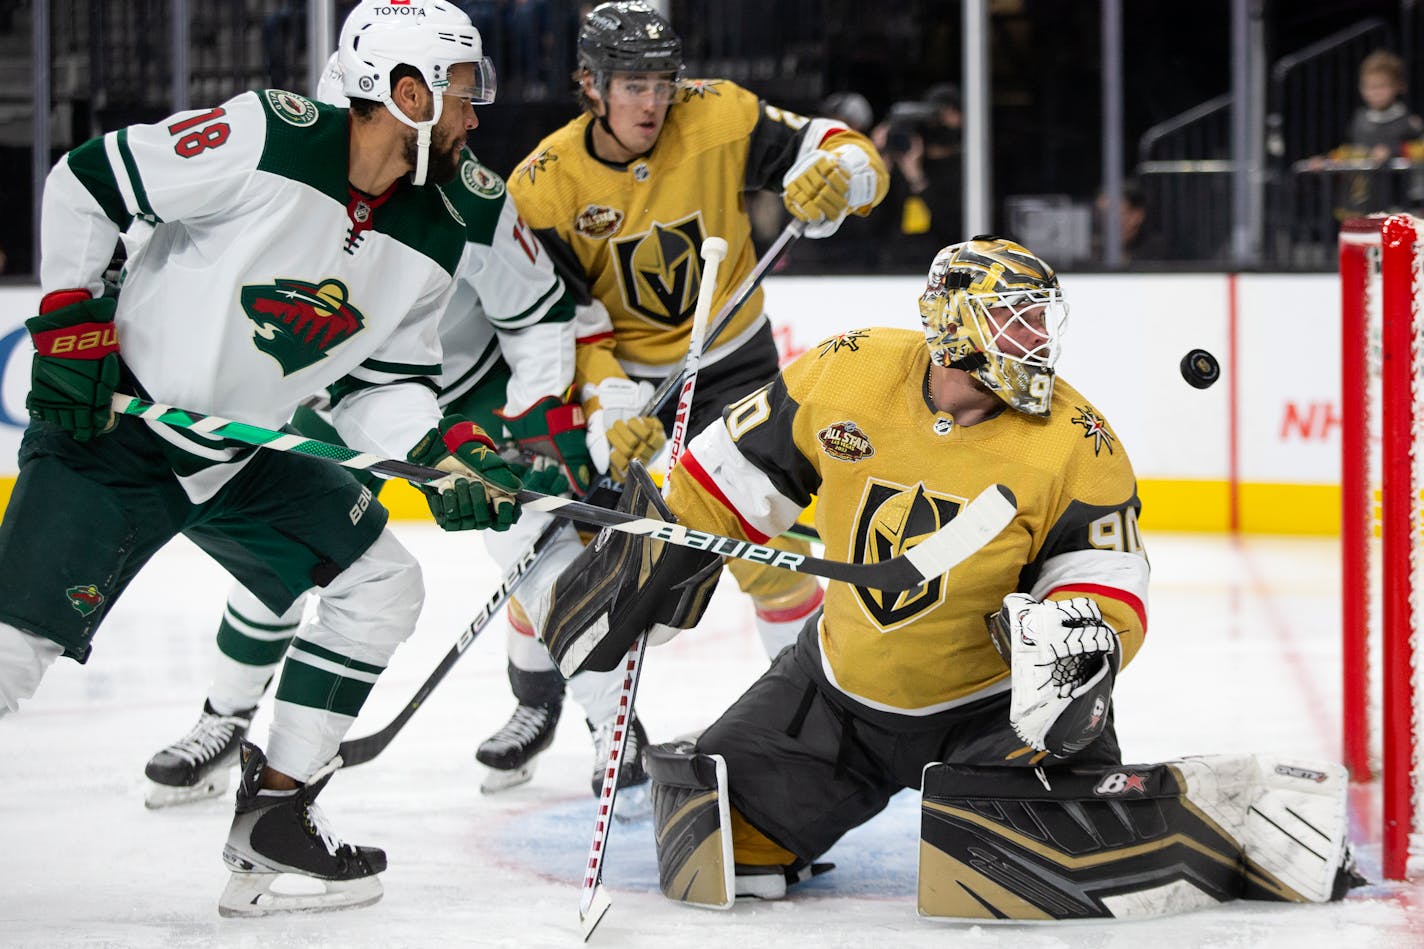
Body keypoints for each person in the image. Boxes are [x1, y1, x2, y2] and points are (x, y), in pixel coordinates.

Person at [541, 235, 1362, 913]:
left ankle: (1209, 824)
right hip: (836, 697)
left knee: (1035, 881)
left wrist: (1075, 634)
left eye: (1040, 322)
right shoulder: (849, 370)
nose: (1036, 341)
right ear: (956, 325)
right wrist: (652, 552)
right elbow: (724, 482)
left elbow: (1109, 576)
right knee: (706, 840)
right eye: (1016, 322)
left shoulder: (1080, 439)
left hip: (995, 715)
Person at [0, 0, 525, 917]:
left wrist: (442, 455)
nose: (476, 117)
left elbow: (380, 387)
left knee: (383, 585)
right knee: (10, 652)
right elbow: (86, 181)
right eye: (461, 94)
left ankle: (275, 815)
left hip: (235, 458)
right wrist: (70, 332)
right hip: (114, 435)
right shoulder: (264, 136)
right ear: (406, 94)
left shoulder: (443, 222)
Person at [139, 35, 643, 812]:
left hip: (473, 398)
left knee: (534, 556)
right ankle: (224, 719)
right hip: (342, 397)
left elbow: (539, 309)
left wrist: (534, 418)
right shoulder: (295, 187)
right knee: (287, 555)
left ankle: (621, 739)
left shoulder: (466, 197)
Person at [492, 0, 889, 773]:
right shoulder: (543, 185)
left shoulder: (719, 115)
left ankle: (805, 721)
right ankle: (534, 696)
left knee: (766, 546)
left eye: (661, 82)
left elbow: (840, 147)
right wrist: (607, 402)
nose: (651, 101)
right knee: (563, 550)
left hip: (732, 367)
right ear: (590, 85)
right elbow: (559, 320)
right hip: (616, 382)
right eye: (630, 84)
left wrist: (840, 174)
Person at [871, 82, 963, 269]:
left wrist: (916, 177)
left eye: (948, 114)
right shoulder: (902, 159)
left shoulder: (965, 169)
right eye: (936, 116)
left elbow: (951, 224)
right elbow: (869, 224)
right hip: (891, 263)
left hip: (940, 264)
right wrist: (878, 163)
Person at [1327, 49, 1424, 215]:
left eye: (1381, 86)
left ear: (1399, 86)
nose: (1375, 92)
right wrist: (1328, 160)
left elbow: (1419, 151)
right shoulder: (1359, 119)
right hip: (1362, 200)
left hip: (1398, 201)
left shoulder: (1408, 122)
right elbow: (1349, 150)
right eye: (1369, 86)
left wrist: (1393, 151)